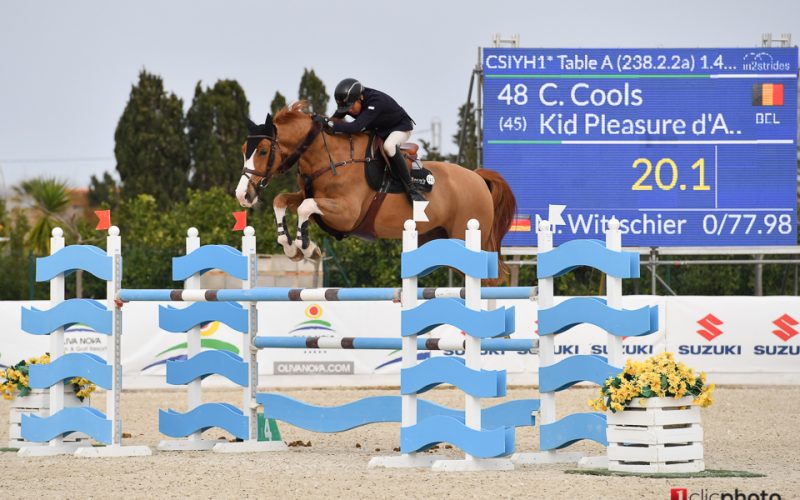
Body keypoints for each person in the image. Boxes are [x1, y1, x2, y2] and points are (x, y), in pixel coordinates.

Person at [316, 78, 425, 203]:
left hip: (400, 127)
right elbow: (333, 120)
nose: (349, 111)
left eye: (350, 107)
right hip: (380, 129)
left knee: (389, 146)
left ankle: (411, 188)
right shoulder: (352, 101)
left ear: (360, 98)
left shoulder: (375, 102)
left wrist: (330, 124)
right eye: (346, 109)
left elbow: (355, 127)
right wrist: (321, 123)